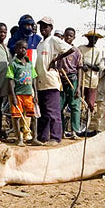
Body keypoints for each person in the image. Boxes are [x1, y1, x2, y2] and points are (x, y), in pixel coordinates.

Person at [34, 16, 74, 145]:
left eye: (46, 26)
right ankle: (43, 136)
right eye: (41, 26)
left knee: (53, 111)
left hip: (50, 80)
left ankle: (56, 137)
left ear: (51, 28)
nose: (43, 29)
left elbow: (71, 49)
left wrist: (55, 60)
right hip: (40, 81)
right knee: (43, 112)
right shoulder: (40, 44)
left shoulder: (54, 40)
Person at [7, 39, 41, 147]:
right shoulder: (13, 64)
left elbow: (34, 78)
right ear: (16, 49)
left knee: (34, 116)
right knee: (17, 117)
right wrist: (13, 96)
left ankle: (34, 138)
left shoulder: (29, 64)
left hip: (29, 95)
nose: (23, 50)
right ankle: (19, 138)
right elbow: (10, 81)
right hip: (18, 94)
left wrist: (35, 93)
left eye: (25, 48)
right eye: (21, 48)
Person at [55, 27, 83, 139]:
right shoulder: (58, 50)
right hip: (60, 80)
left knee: (75, 106)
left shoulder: (77, 51)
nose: (68, 38)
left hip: (72, 79)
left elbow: (79, 69)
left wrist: (79, 87)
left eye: (70, 36)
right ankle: (60, 131)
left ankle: (75, 131)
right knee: (59, 106)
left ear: (74, 37)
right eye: (66, 36)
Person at [77, 31, 103, 115]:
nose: (94, 40)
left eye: (96, 39)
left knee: (90, 103)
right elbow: (77, 61)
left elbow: (98, 68)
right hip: (81, 79)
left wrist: (87, 64)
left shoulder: (98, 51)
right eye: (92, 38)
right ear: (88, 38)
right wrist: (82, 65)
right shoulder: (81, 48)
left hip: (92, 81)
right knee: (79, 101)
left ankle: (88, 120)